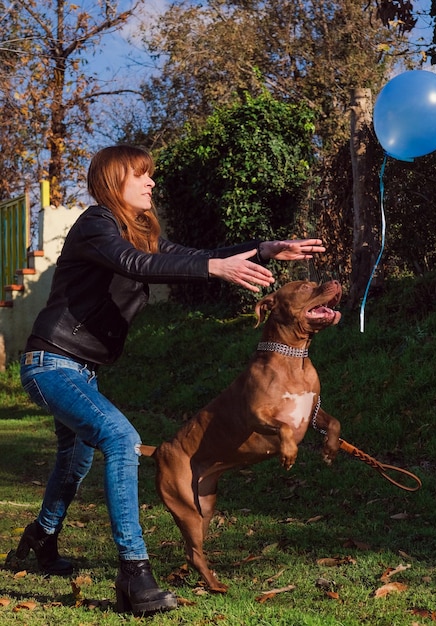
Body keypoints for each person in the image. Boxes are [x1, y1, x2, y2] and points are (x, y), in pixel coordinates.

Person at [14, 144, 326, 616]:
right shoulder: (97, 225)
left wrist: (264, 249)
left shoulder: (137, 233)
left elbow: (195, 255)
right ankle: (134, 574)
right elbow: (138, 265)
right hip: (50, 363)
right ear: (113, 181)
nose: (152, 182)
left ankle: (40, 538)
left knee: (74, 460)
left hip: (81, 371)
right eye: (141, 175)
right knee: (122, 438)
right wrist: (213, 268)